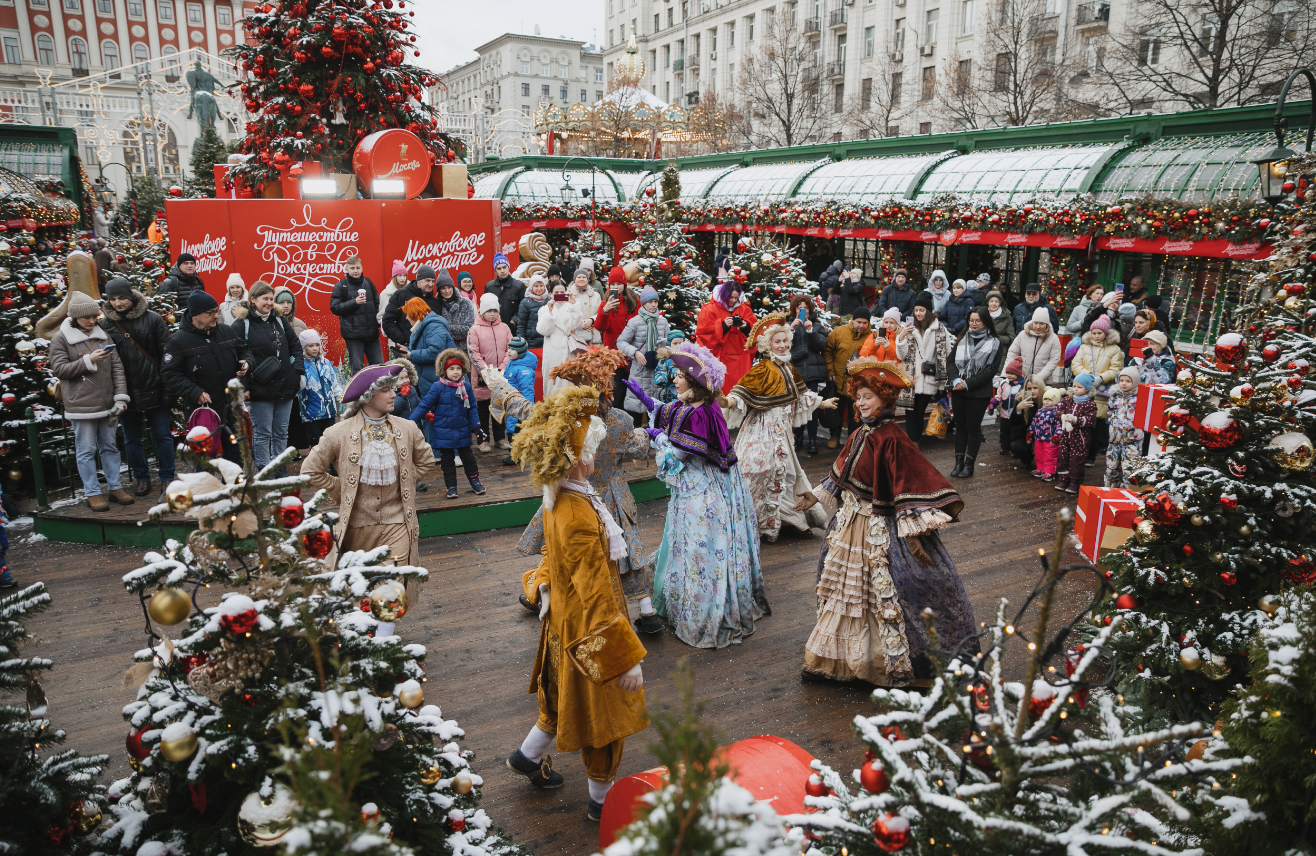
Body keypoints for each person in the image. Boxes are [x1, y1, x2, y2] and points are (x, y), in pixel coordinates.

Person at [502, 384, 648, 823]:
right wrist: (624, 657)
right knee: (605, 715)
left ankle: (528, 757)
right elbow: (596, 589)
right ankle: (601, 804)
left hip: (565, 620)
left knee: (560, 695)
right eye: (594, 448)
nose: (597, 455)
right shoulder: (576, 510)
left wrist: (547, 592)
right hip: (589, 627)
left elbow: (555, 560)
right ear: (578, 456)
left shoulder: (561, 495)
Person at [794, 357, 974, 686]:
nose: (861, 403)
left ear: (884, 399)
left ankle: (884, 663)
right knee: (846, 595)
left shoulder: (891, 437)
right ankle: (840, 661)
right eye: (858, 396)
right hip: (851, 522)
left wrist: (914, 533)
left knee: (890, 591)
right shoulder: (863, 431)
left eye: (868, 397)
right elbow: (842, 469)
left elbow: (911, 482)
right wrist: (815, 496)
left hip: (879, 526)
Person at [494, 349, 657, 629]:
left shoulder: (563, 417)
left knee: (564, 551)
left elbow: (524, 409)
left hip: (574, 494)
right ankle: (647, 611)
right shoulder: (620, 420)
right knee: (630, 550)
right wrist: (644, 435)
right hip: (614, 498)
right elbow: (639, 449)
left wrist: (497, 386)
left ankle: (543, 595)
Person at [634, 340, 767, 648]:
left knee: (700, 546)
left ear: (693, 381)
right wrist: (649, 403)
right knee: (685, 542)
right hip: (709, 486)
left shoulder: (701, 414)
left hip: (704, 492)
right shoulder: (695, 405)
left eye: (679, 374)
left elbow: (676, 458)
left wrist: (655, 438)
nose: (674, 378)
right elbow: (671, 411)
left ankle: (705, 612)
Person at [301, 363, 436, 568]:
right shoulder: (338, 433)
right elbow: (310, 471)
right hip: (357, 529)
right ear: (369, 397)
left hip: (397, 523)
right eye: (386, 390)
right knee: (362, 590)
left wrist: (405, 478)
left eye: (393, 388)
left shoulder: (408, 428)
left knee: (390, 586)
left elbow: (426, 462)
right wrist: (341, 488)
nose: (394, 393)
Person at [724, 313, 836, 541]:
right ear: (768, 344)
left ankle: (791, 519)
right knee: (759, 470)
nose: (783, 345)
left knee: (787, 472)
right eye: (778, 342)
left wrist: (822, 402)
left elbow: (801, 396)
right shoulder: (762, 369)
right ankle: (756, 521)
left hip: (781, 432)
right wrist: (728, 401)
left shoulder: (788, 368)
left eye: (786, 341)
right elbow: (741, 394)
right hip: (761, 430)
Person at [49, 291, 134, 511]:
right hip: (81, 405)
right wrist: (88, 360)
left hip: (107, 402)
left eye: (94, 316)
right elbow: (60, 370)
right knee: (86, 450)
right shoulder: (61, 338)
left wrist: (121, 397)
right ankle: (92, 492)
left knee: (110, 448)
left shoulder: (103, 335)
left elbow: (117, 368)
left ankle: (115, 487)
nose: (91, 320)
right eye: (87, 317)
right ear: (75, 317)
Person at [99, 278, 174, 497]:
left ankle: (167, 476)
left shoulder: (152, 319)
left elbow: (167, 355)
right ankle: (141, 477)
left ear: (131, 296)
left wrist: (168, 388)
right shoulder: (106, 325)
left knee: (163, 435)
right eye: (112, 299)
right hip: (125, 390)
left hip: (154, 385)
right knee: (132, 438)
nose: (117, 303)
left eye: (121, 298)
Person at [162, 290, 252, 463]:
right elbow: (169, 374)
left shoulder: (227, 332)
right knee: (204, 459)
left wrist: (247, 365)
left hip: (232, 406)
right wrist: (194, 392)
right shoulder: (178, 341)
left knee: (237, 456)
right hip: (204, 408)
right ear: (195, 315)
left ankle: (235, 488)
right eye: (209, 313)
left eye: (216, 311)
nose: (215, 316)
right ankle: (207, 489)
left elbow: (245, 351)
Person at [232, 281, 304, 471]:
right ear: (253, 300)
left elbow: (295, 346)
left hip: (285, 386)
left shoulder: (279, 319)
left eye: (272, 299)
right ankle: (265, 472)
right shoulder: (241, 325)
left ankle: (280, 468)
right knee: (263, 433)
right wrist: (244, 386)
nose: (270, 303)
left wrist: (297, 372)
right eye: (265, 299)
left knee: (281, 432)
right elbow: (237, 358)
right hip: (258, 388)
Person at [409, 349, 486, 499]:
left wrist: (476, 426)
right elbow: (424, 405)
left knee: (468, 458)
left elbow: (472, 407)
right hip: (443, 430)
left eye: (458, 368)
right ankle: (451, 487)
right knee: (447, 461)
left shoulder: (466, 387)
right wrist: (410, 421)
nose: (455, 372)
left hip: (462, 429)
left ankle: (475, 481)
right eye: (451, 369)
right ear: (444, 370)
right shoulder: (438, 387)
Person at [947, 307, 999, 479]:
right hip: (959, 389)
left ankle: (970, 465)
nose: (974, 324)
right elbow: (950, 362)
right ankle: (958, 462)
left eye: (978, 321)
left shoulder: (994, 342)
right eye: (971, 320)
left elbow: (990, 371)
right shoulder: (962, 338)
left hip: (978, 392)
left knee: (973, 428)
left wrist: (967, 384)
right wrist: (955, 380)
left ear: (985, 322)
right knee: (960, 427)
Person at [1068, 314, 1124, 464]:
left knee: (1095, 425)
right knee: (1080, 422)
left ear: (1106, 334)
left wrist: (1100, 378)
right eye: (1094, 333)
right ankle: (1077, 452)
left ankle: (1090, 456)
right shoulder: (1084, 346)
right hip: (1083, 390)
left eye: (1100, 333)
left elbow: (1116, 369)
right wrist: (1086, 377)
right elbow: (1075, 364)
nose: (1097, 336)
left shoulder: (1115, 350)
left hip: (1100, 391)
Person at [894, 293, 949, 445]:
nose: (918, 313)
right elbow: (901, 354)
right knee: (910, 413)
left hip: (929, 378)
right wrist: (901, 337)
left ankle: (915, 441)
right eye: (916, 310)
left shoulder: (939, 328)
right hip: (911, 378)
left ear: (928, 311)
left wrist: (942, 382)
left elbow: (946, 352)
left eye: (921, 310)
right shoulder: (909, 328)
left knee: (919, 411)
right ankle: (914, 443)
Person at [616, 285, 670, 420]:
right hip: (640, 370)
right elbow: (621, 342)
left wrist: (664, 349)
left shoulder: (662, 321)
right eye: (649, 302)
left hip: (658, 371)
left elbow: (670, 342)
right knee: (637, 407)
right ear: (643, 303)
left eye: (655, 302)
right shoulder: (635, 322)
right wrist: (635, 352)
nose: (653, 305)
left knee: (657, 410)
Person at [468, 293, 512, 451]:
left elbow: (510, 348)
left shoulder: (505, 327)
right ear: (482, 312)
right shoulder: (474, 329)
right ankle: (482, 440)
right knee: (482, 412)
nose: (492, 313)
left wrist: (502, 368)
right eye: (489, 310)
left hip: (500, 377)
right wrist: (486, 372)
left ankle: (500, 438)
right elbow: (473, 353)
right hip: (482, 378)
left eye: (495, 310)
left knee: (499, 409)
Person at [823, 307, 872, 448]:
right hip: (838, 380)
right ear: (853, 320)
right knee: (836, 410)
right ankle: (834, 436)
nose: (861, 326)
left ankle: (853, 440)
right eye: (858, 322)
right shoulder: (839, 332)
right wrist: (830, 372)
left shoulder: (871, 338)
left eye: (864, 323)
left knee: (855, 413)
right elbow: (827, 352)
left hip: (857, 383)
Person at [696, 279, 757, 391]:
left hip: (741, 358)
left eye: (736, 297)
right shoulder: (709, 309)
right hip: (720, 357)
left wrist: (746, 326)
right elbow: (703, 333)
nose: (734, 300)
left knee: (741, 388)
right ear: (724, 295)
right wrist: (723, 326)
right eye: (731, 297)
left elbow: (755, 330)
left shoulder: (744, 309)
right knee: (722, 389)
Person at [789, 294, 830, 455]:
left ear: (810, 309)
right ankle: (798, 438)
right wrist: (791, 328)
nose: (802, 311)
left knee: (812, 406)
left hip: (813, 372)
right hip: (795, 372)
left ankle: (812, 440)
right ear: (794, 309)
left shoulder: (817, 325)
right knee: (797, 405)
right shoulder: (788, 324)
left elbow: (823, 345)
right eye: (799, 308)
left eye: (805, 308)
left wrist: (810, 330)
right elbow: (781, 344)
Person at [595, 267, 640, 404]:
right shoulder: (605, 303)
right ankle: (617, 422)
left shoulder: (633, 301)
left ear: (624, 284)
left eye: (618, 284)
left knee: (632, 391)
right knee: (617, 392)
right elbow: (600, 327)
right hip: (614, 355)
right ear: (609, 286)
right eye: (613, 284)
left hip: (631, 354)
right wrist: (605, 311)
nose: (616, 287)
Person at [330, 256, 383, 372]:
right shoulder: (341, 285)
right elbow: (334, 307)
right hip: (354, 336)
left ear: (362, 268)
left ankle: (380, 391)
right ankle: (359, 391)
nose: (355, 271)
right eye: (352, 268)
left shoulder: (368, 282)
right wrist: (354, 302)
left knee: (379, 368)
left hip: (372, 334)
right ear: (346, 269)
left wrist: (379, 323)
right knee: (357, 370)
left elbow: (378, 304)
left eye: (358, 268)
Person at [296, 329, 343, 448]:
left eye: (317, 345)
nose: (315, 348)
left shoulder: (326, 363)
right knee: (315, 441)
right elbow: (299, 387)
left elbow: (333, 382)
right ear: (304, 347)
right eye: (311, 346)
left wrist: (340, 396)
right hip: (311, 412)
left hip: (329, 411)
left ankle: (331, 464)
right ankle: (318, 465)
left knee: (331, 439)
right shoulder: (301, 365)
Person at [382, 264, 442, 356]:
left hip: (426, 352)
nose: (430, 284)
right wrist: (403, 341)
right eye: (427, 280)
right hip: (404, 350)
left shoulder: (435, 303)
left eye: (433, 281)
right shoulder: (401, 295)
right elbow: (387, 321)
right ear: (418, 280)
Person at [402, 297, 456, 397]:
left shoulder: (434, 326)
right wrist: (408, 351)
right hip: (431, 379)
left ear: (414, 313)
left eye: (408, 314)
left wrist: (411, 355)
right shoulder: (421, 326)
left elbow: (435, 352)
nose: (406, 318)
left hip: (439, 380)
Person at [538, 282, 585, 396]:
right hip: (552, 353)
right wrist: (550, 313)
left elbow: (577, 326)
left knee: (569, 385)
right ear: (550, 293)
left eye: (562, 292)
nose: (559, 294)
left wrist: (574, 305)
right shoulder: (544, 309)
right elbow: (543, 331)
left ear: (566, 292)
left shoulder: (572, 307)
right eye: (556, 292)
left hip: (569, 351)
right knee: (553, 386)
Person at [1054, 373, 1098, 494]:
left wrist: (1075, 420)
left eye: (1079, 387)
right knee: (1063, 458)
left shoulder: (1090, 404)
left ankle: (1074, 481)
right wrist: (1062, 415)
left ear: (1087, 389)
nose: (1076, 389)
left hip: (1080, 439)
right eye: (1074, 386)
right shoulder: (1067, 400)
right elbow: (1058, 411)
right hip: (1065, 437)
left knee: (1076, 460)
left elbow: (1090, 420)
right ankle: (1063, 479)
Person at [1105, 366, 1144, 489]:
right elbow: (1109, 412)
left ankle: (1128, 492)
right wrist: (1112, 425)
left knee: (1129, 469)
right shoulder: (1114, 397)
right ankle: (1109, 490)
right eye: (1122, 380)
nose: (1124, 383)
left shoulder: (1139, 398)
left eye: (1128, 381)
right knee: (1111, 467)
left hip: (1132, 441)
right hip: (1115, 440)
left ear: (1135, 382)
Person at [499, 336, 537, 465]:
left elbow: (527, 391)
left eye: (513, 349)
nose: (509, 351)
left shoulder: (524, 370)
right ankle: (516, 453)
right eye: (509, 348)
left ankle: (516, 455)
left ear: (520, 352)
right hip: (512, 403)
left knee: (515, 429)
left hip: (519, 406)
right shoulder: (513, 363)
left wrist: (526, 408)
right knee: (511, 427)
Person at [1005, 307, 1064, 386]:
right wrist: (1006, 374)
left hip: (1043, 382)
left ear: (1047, 324)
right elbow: (1012, 353)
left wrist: (1038, 378)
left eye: (1041, 324)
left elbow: (1053, 361)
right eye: (1035, 323)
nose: (1038, 326)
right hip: (1022, 380)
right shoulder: (1023, 335)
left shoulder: (1053, 339)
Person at [1028, 387, 1064, 482]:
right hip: (1039, 438)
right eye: (1045, 399)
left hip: (1050, 439)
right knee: (1039, 454)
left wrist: (1057, 435)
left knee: (1050, 456)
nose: (1047, 402)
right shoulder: (1040, 411)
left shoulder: (1057, 413)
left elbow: (1059, 425)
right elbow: (1034, 422)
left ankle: (1049, 471)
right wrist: (1030, 432)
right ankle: (1040, 469)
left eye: (1050, 400)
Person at [435, 270, 474, 355]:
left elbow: (469, 330)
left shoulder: (466, 303)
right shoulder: (436, 305)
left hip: (463, 352)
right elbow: (435, 332)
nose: (447, 291)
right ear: (439, 290)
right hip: (442, 352)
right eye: (443, 288)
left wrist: (445, 329)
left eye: (449, 287)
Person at [485, 253, 526, 331]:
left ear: (508, 267)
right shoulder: (489, 287)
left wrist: (514, 321)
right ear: (495, 271)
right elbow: (485, 307)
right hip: (493, 327)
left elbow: (523, 307)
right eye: (499, 268)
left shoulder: (519, 286)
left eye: (504, 267)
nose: (502, 271)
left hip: (513, 329)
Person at [568, 267, 603, 351]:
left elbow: (601, 313)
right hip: (575, 336)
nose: (581, 279)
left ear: (587, 279)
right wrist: (582, 323)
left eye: (584, 277)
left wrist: (591, 320)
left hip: (593, 334)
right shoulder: (567, 295)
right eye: (578, 277)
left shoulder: (596, 295)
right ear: (574, 279)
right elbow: (565, 313)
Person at [516, 275, 552, 349]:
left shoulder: (550, 300)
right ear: (531, 287)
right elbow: (521, 325)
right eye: (536, 286)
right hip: (532, 343)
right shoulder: (525, 302)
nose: (539, 289)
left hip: (548, 341)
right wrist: (522, 343)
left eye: (541, 285)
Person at [652, 330, 685, 404]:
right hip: (669, 397)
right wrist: (668, 378)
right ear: (669, 344)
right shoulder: (665, 359)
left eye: (681, 343)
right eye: (675, 343)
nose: (678, 346)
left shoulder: (687, 358)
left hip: (685, 396)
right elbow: (657, 379)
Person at [985, 290, 1015, 365]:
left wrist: (996, 338)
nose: (994, 304)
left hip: (1000, 353)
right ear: (987, 302)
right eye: (991, 301)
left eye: (996, 301)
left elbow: (1011, 338)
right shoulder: (981, 315)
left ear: (1000, 303)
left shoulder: (1007, 317)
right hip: (983, 351)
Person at [378, 261, 408, 326]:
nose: (403, 278)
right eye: (399, 275)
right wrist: (389, 330)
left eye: (404, 275)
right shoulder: (385, 294)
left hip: (410, 331)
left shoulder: (411, 291)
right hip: (394, 332)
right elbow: (381, 316)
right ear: (394, 277)